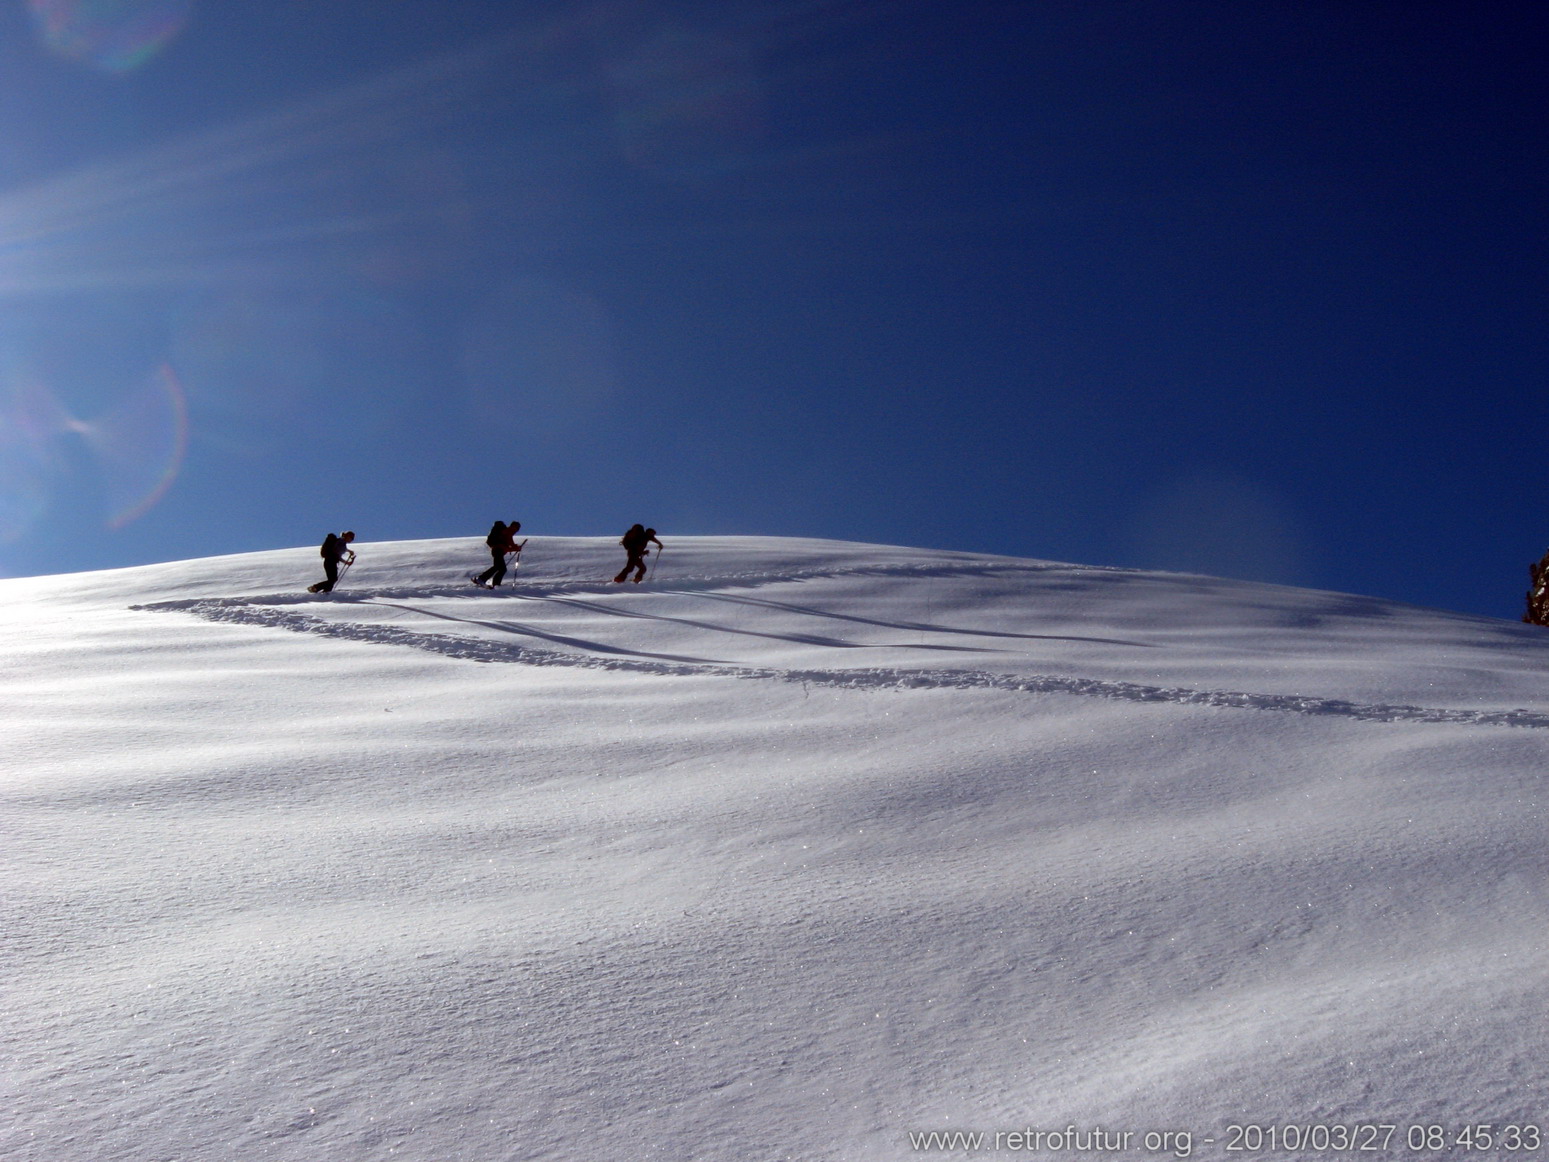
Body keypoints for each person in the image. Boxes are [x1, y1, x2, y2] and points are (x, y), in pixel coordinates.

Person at [474, 520, 522, 588]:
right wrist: (516, 548)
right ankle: (491, 583)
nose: (517, 530)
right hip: (498, 551)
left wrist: (515, 548)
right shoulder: (509, 531)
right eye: (517, 528)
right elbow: (509, 544)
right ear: (514, 527)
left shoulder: (505, 532)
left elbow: (506, 547)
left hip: (497, 550)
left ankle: (484, 580)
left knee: (498, 567)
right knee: (502, 569)